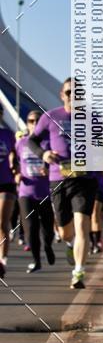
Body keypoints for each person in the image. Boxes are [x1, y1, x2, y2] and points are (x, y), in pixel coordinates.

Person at [28, 78, 98, 289]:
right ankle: (69, 243)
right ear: (62, 95)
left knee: (82, 226)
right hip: (58, 179)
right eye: (69, 92)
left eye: (77, 92)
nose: (72, 96)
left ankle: (78, 272)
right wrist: (44, 153)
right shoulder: (50, 117)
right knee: (66, 231)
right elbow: (32, 140)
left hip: (84, 179)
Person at [14, 109, 55, 273]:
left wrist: (50, 169)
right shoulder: (21, 143)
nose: (34, 123)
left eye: (37, 120)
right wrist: (16, 174)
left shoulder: (48, 142)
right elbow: (17, 162)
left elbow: (59, 164)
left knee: (48, 229)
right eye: (30, 121)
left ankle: (48, 246)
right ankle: (36, 261)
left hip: (45, 191)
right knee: (30, 227)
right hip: (26, 192)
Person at [0, 103, 17, 279]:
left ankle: (2, 260)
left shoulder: (8, 135)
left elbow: (15, 153)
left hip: (6, 182)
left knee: (2, 222)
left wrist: (14, 164)